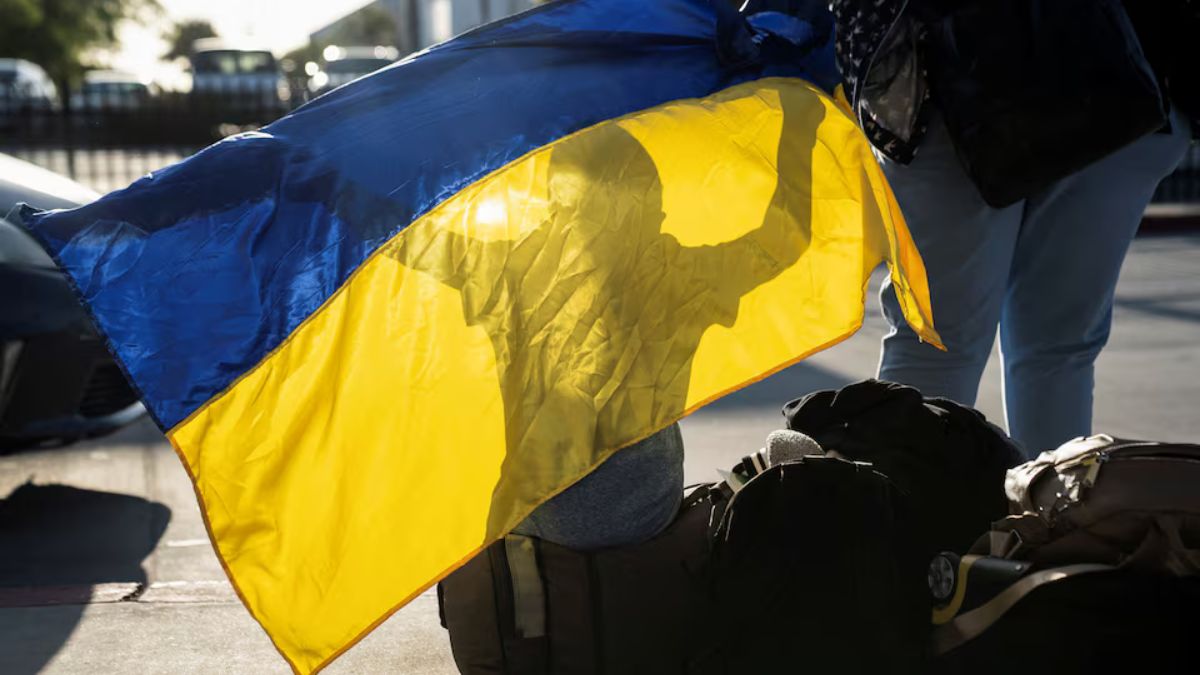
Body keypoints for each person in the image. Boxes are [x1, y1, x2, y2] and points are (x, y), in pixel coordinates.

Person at [833, 0, 1196, 456]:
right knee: (1054, 351)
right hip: (1122, 68)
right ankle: (1050, 500)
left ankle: (908, 500)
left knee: (936, 341)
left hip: (957, 64)